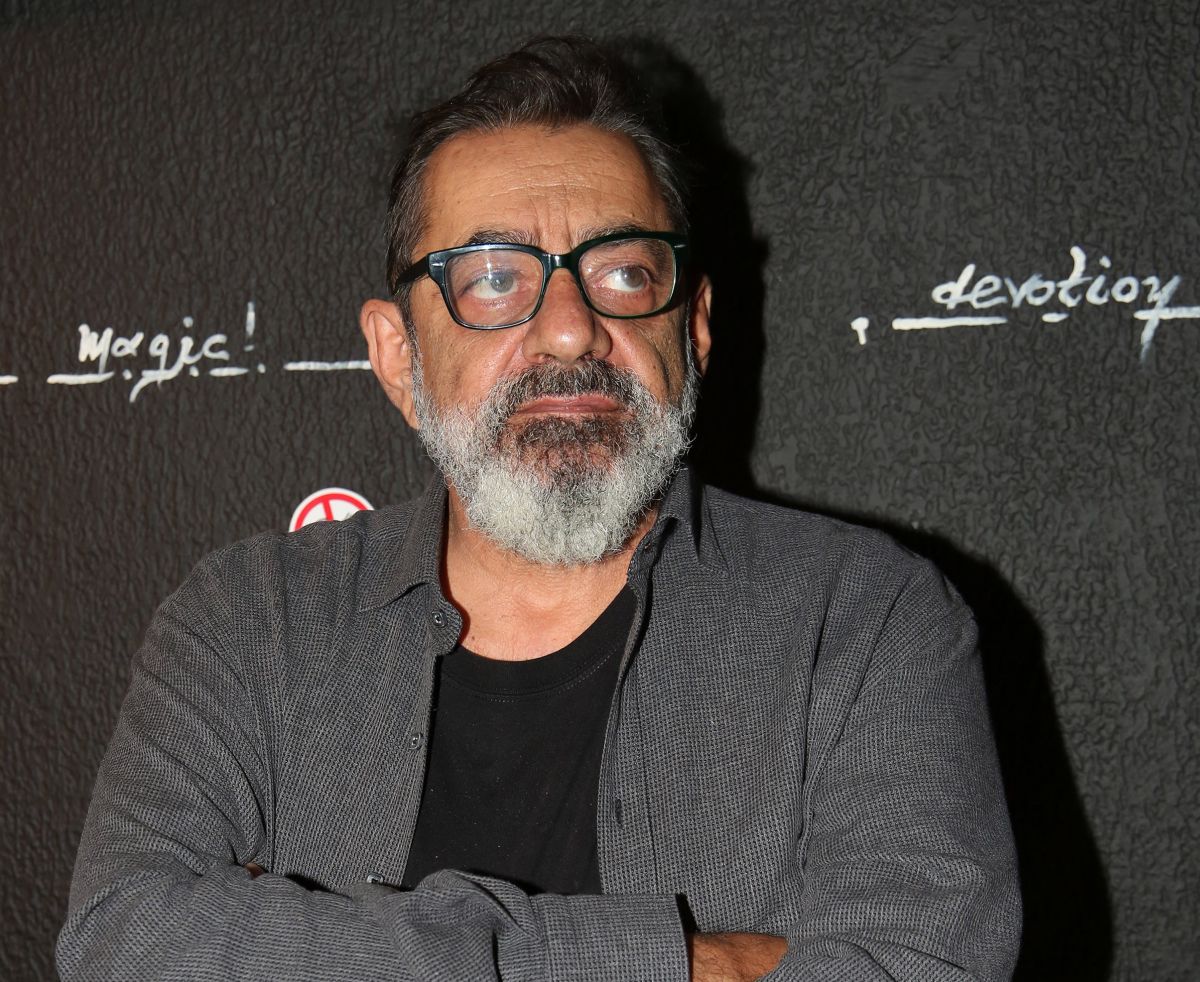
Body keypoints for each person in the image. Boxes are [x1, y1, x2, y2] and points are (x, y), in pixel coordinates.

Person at [58, 36, 1021, 982]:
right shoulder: (248, 621)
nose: (568, 330)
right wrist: (686, 963)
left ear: (693, 328)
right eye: (493, 279)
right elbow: (123, 944)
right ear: (398, 355)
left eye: (625, 272)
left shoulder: (865, 621)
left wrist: (320, 942)